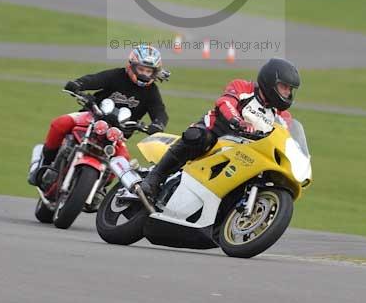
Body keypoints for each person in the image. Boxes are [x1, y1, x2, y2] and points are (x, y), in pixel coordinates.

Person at [139, 57, 300, 201]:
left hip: (245, 151)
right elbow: (225, 102)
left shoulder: (282, 116)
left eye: (290, 89)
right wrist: (238, 121)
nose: (287, 92)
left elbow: (284, 138)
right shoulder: (243, 87)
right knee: (198, 137)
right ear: (270, 81)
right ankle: (155, 177)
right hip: (217, 132)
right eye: (283, 87)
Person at [28, 44, 169, 188]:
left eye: (148, 71)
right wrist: (78, 84)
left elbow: (159, 111)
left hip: (117, 133)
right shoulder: (117, 75)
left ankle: (99, 187)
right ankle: (43, 164)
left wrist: (157, 125)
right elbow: (95, 79)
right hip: (92, 117)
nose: (144, 74)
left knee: (123, 161)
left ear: (155, 73)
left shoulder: (152, 91)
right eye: (141, 69)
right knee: (60, 123)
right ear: (131, 65)